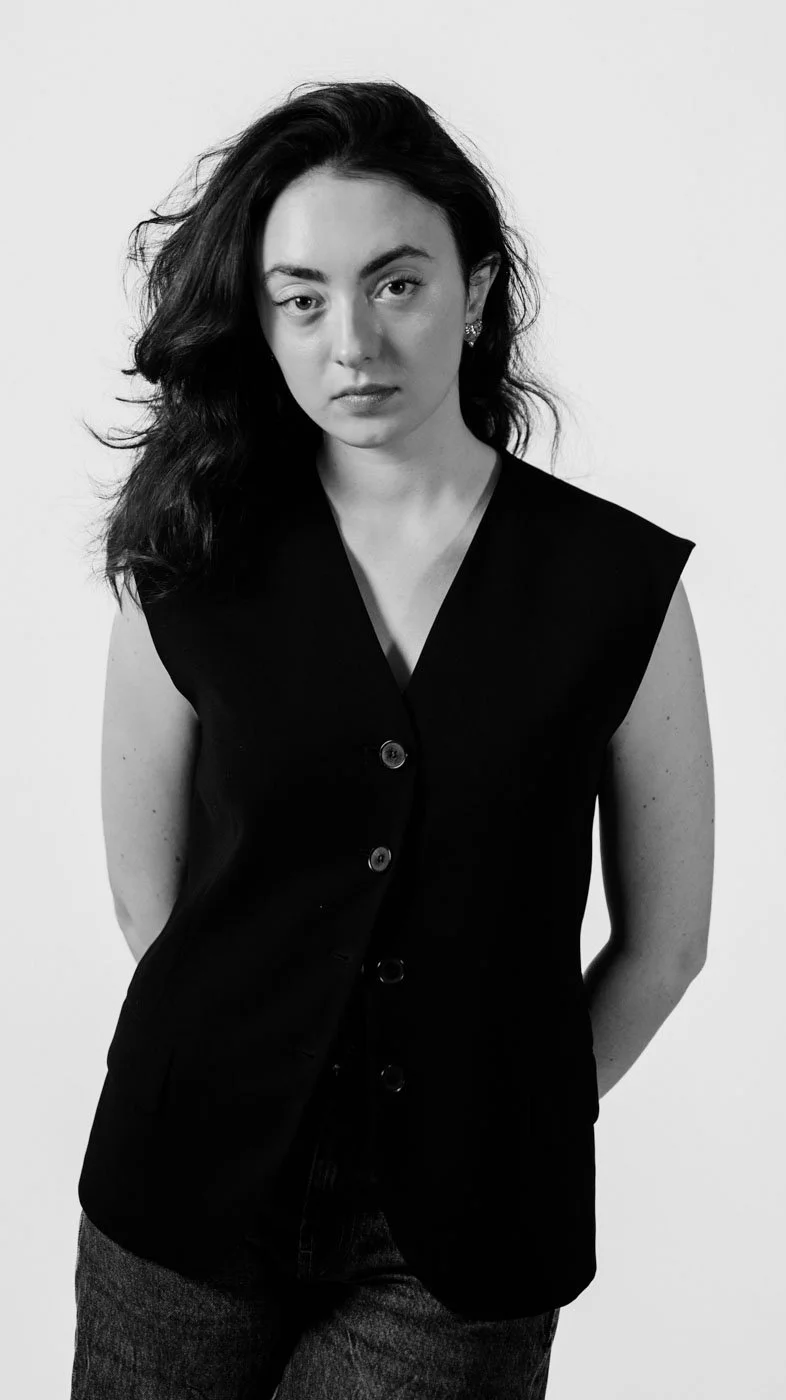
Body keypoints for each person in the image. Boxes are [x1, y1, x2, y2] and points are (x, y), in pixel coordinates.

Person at [74, 79, 714, 1399]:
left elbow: (666, 945)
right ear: (257, 316)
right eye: (300, 296)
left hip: (460, 1245)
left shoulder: (614, 584)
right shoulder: (187, 559)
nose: (350, 340)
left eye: (398, 283)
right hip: (184, 1195)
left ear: (475, 294)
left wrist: (509, 1117)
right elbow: (153, 905)